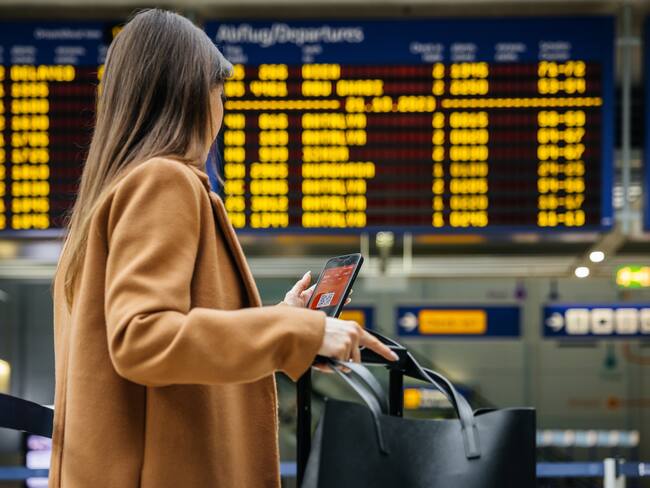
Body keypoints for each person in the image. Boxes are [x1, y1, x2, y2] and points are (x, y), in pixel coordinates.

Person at [49, 8, 397, 488]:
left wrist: (279, 317)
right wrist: (292, 332)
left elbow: (152, 337)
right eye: (220, 92)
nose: (223, 109)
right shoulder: (163, 180)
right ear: (190, 96)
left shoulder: (102, 202)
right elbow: (143, 338)